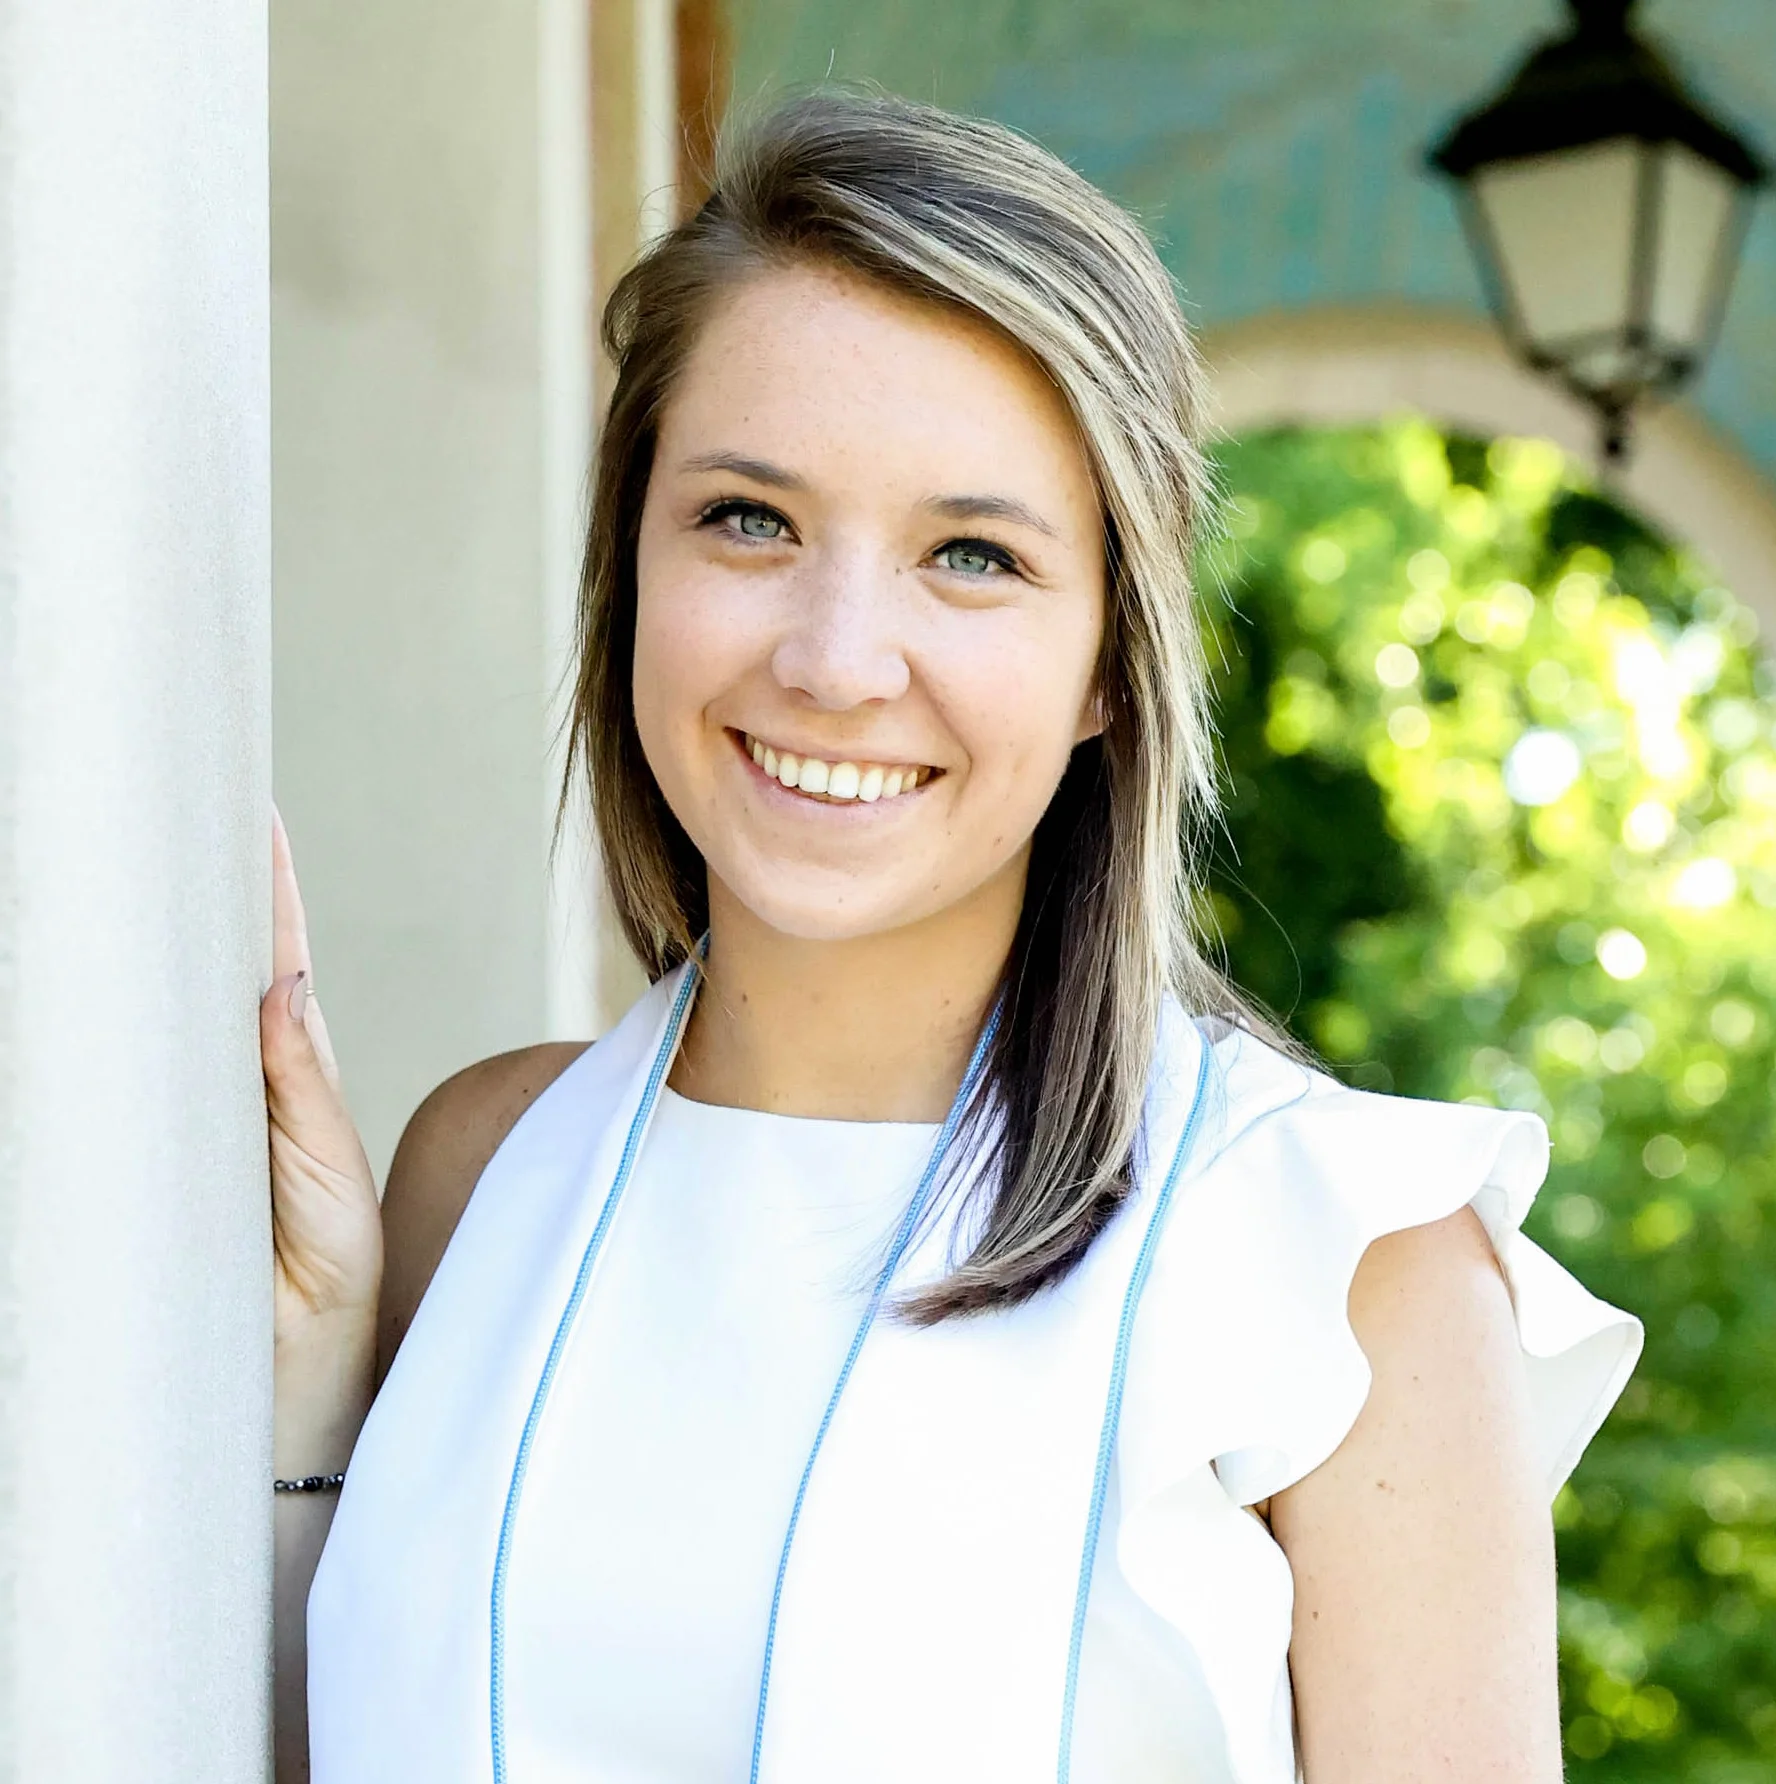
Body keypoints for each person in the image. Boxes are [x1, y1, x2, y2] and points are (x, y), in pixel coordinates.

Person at [263, 90, 1641, 1784]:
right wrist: (307, 1406)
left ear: (1111, 669)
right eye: (747, 520)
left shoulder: (1352, 1264)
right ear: (633, 562)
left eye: (972, 555)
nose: (837, 658)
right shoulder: (477, 1173)